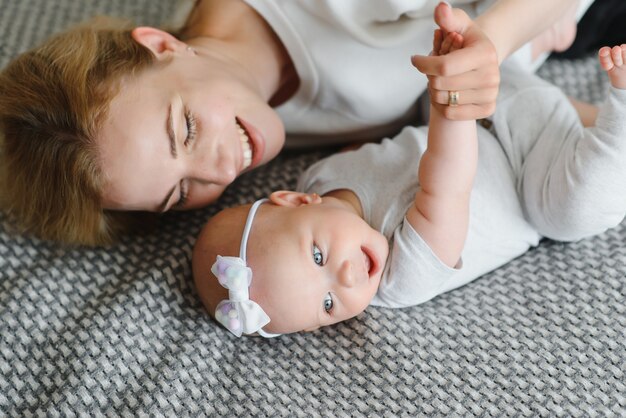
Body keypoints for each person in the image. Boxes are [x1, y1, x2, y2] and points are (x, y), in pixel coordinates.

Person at [0, 0, 592, 245]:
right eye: (178, 192)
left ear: (161, 44)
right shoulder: (238, 105)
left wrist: (501, 37)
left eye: (183, 129)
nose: (222, 168)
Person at [191, 13, 626, 337]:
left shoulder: (320, 178)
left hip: (500, 107)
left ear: (296, 200)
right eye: (327, 305)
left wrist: (450, 83)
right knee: (575, 212)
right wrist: (448, 110)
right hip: (536, 182)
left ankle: (536, 40)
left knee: (439, 75)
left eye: (319, 257)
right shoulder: (401, 280)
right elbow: (447, 188)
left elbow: (378, 150)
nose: (345, 279)